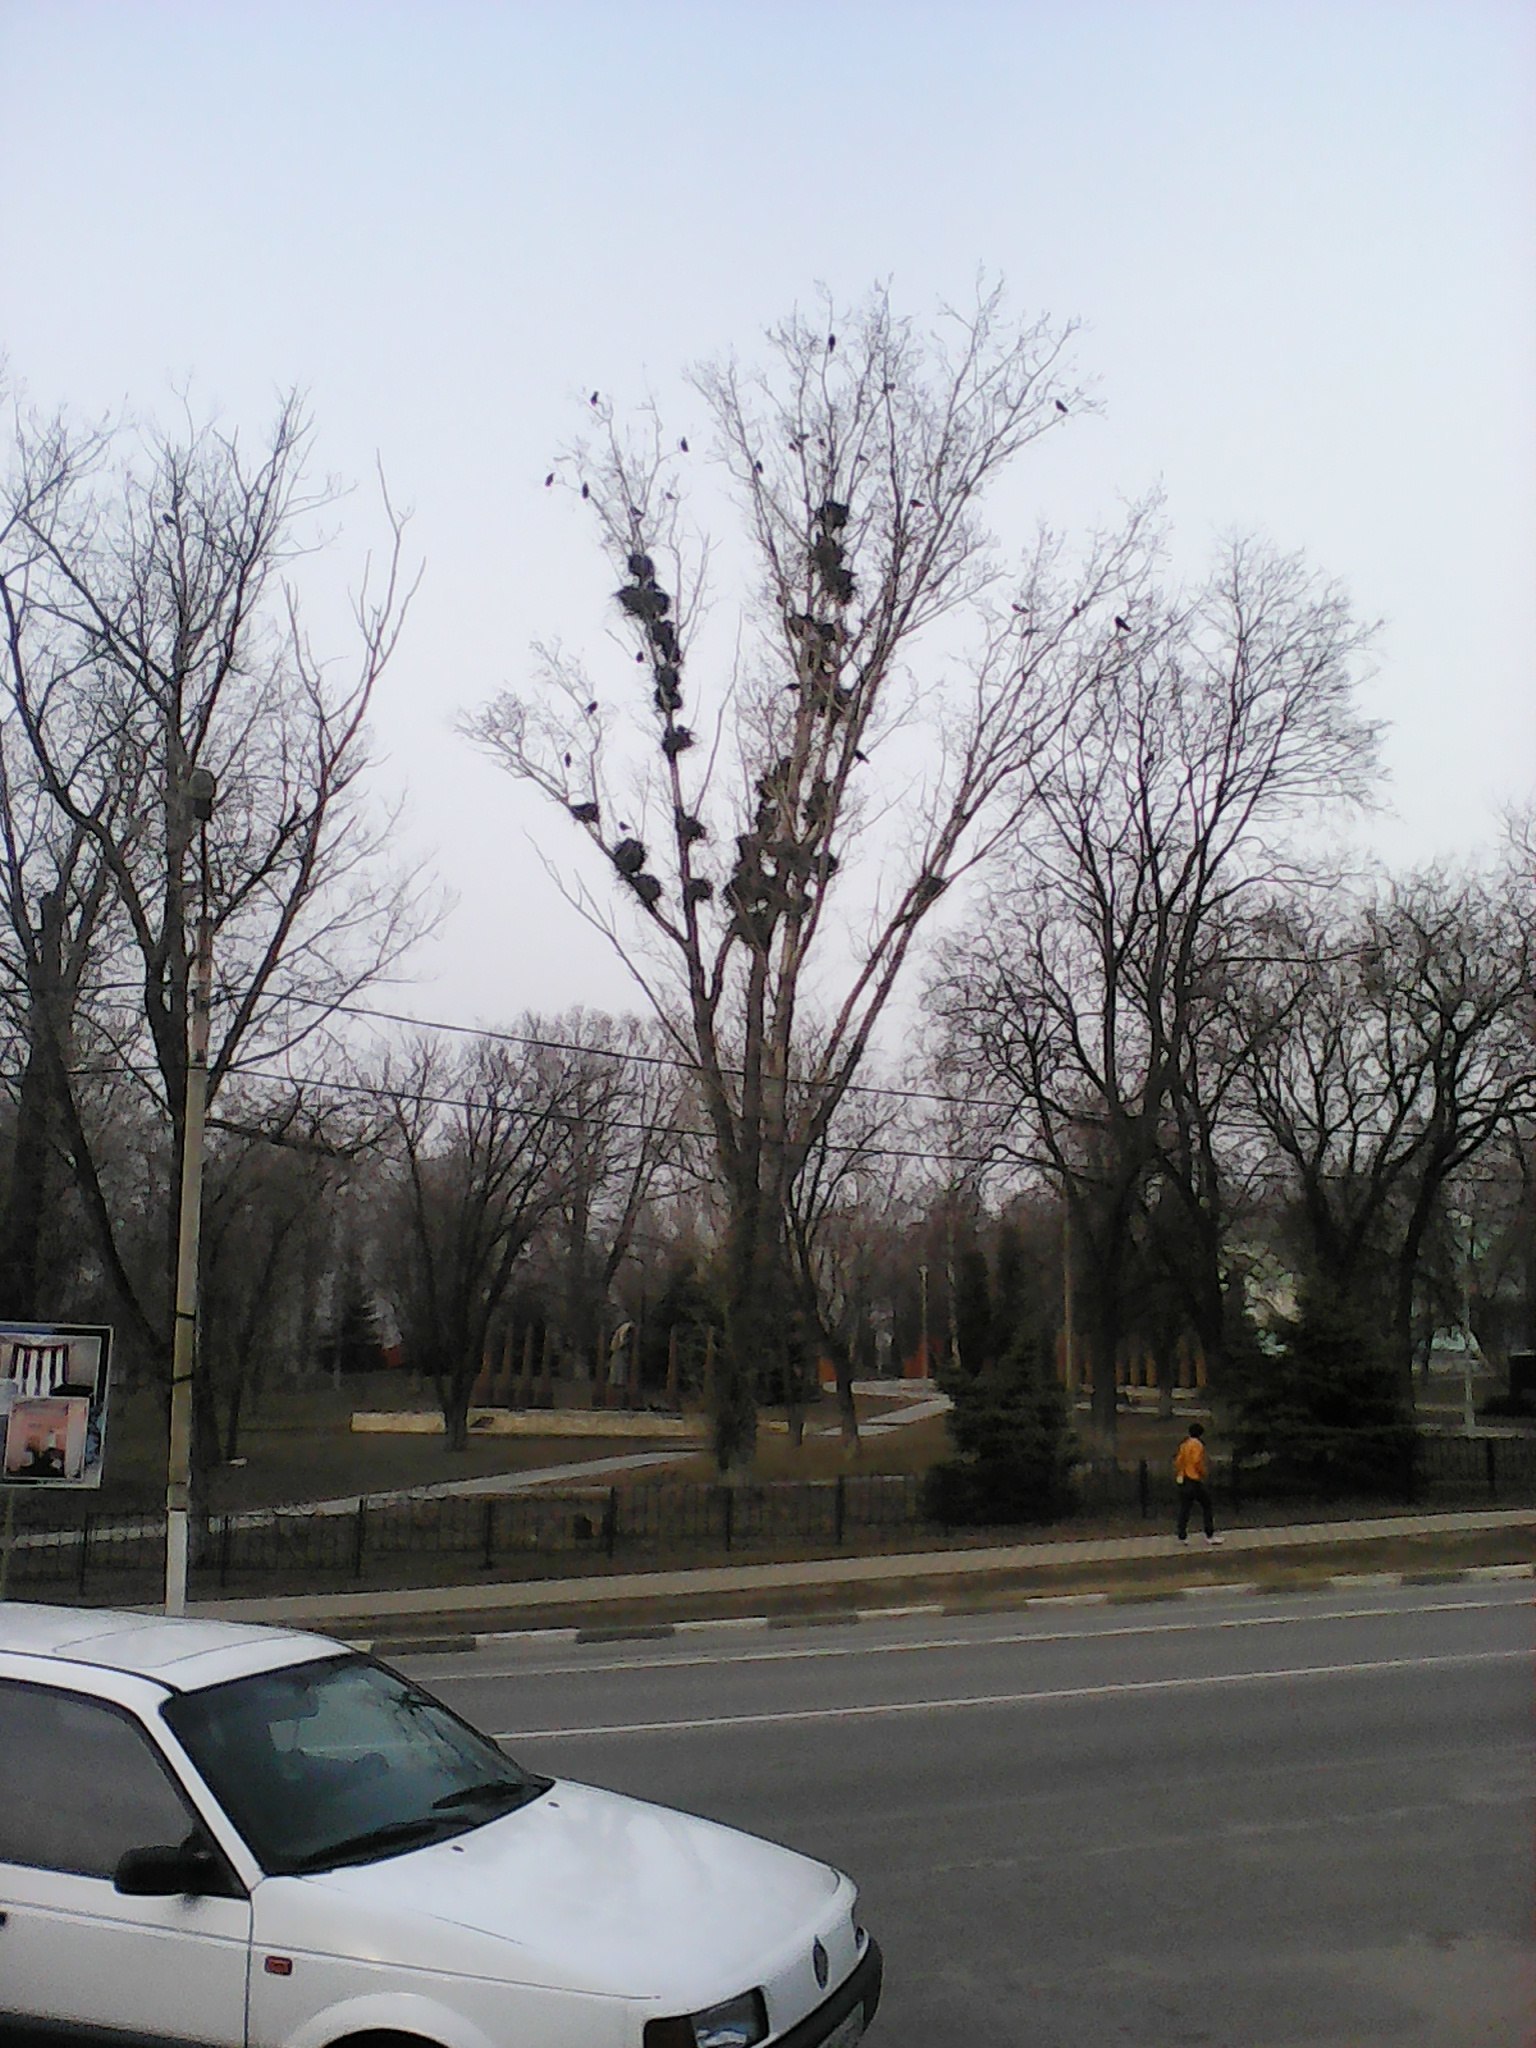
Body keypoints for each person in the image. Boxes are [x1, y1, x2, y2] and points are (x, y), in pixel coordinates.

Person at [1174, 1421, 1221, 1544]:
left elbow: (1178, 1461)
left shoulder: (1184, 1445)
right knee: (1207, 1505)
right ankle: (1209, 1535)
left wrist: (1181, 1472)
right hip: (1194, 1479)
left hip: (1183, 1478)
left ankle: (1182, 1536)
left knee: (1185, 1508)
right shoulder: (1198, 1445)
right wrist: (1203, 1472)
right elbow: (1197, 1461)